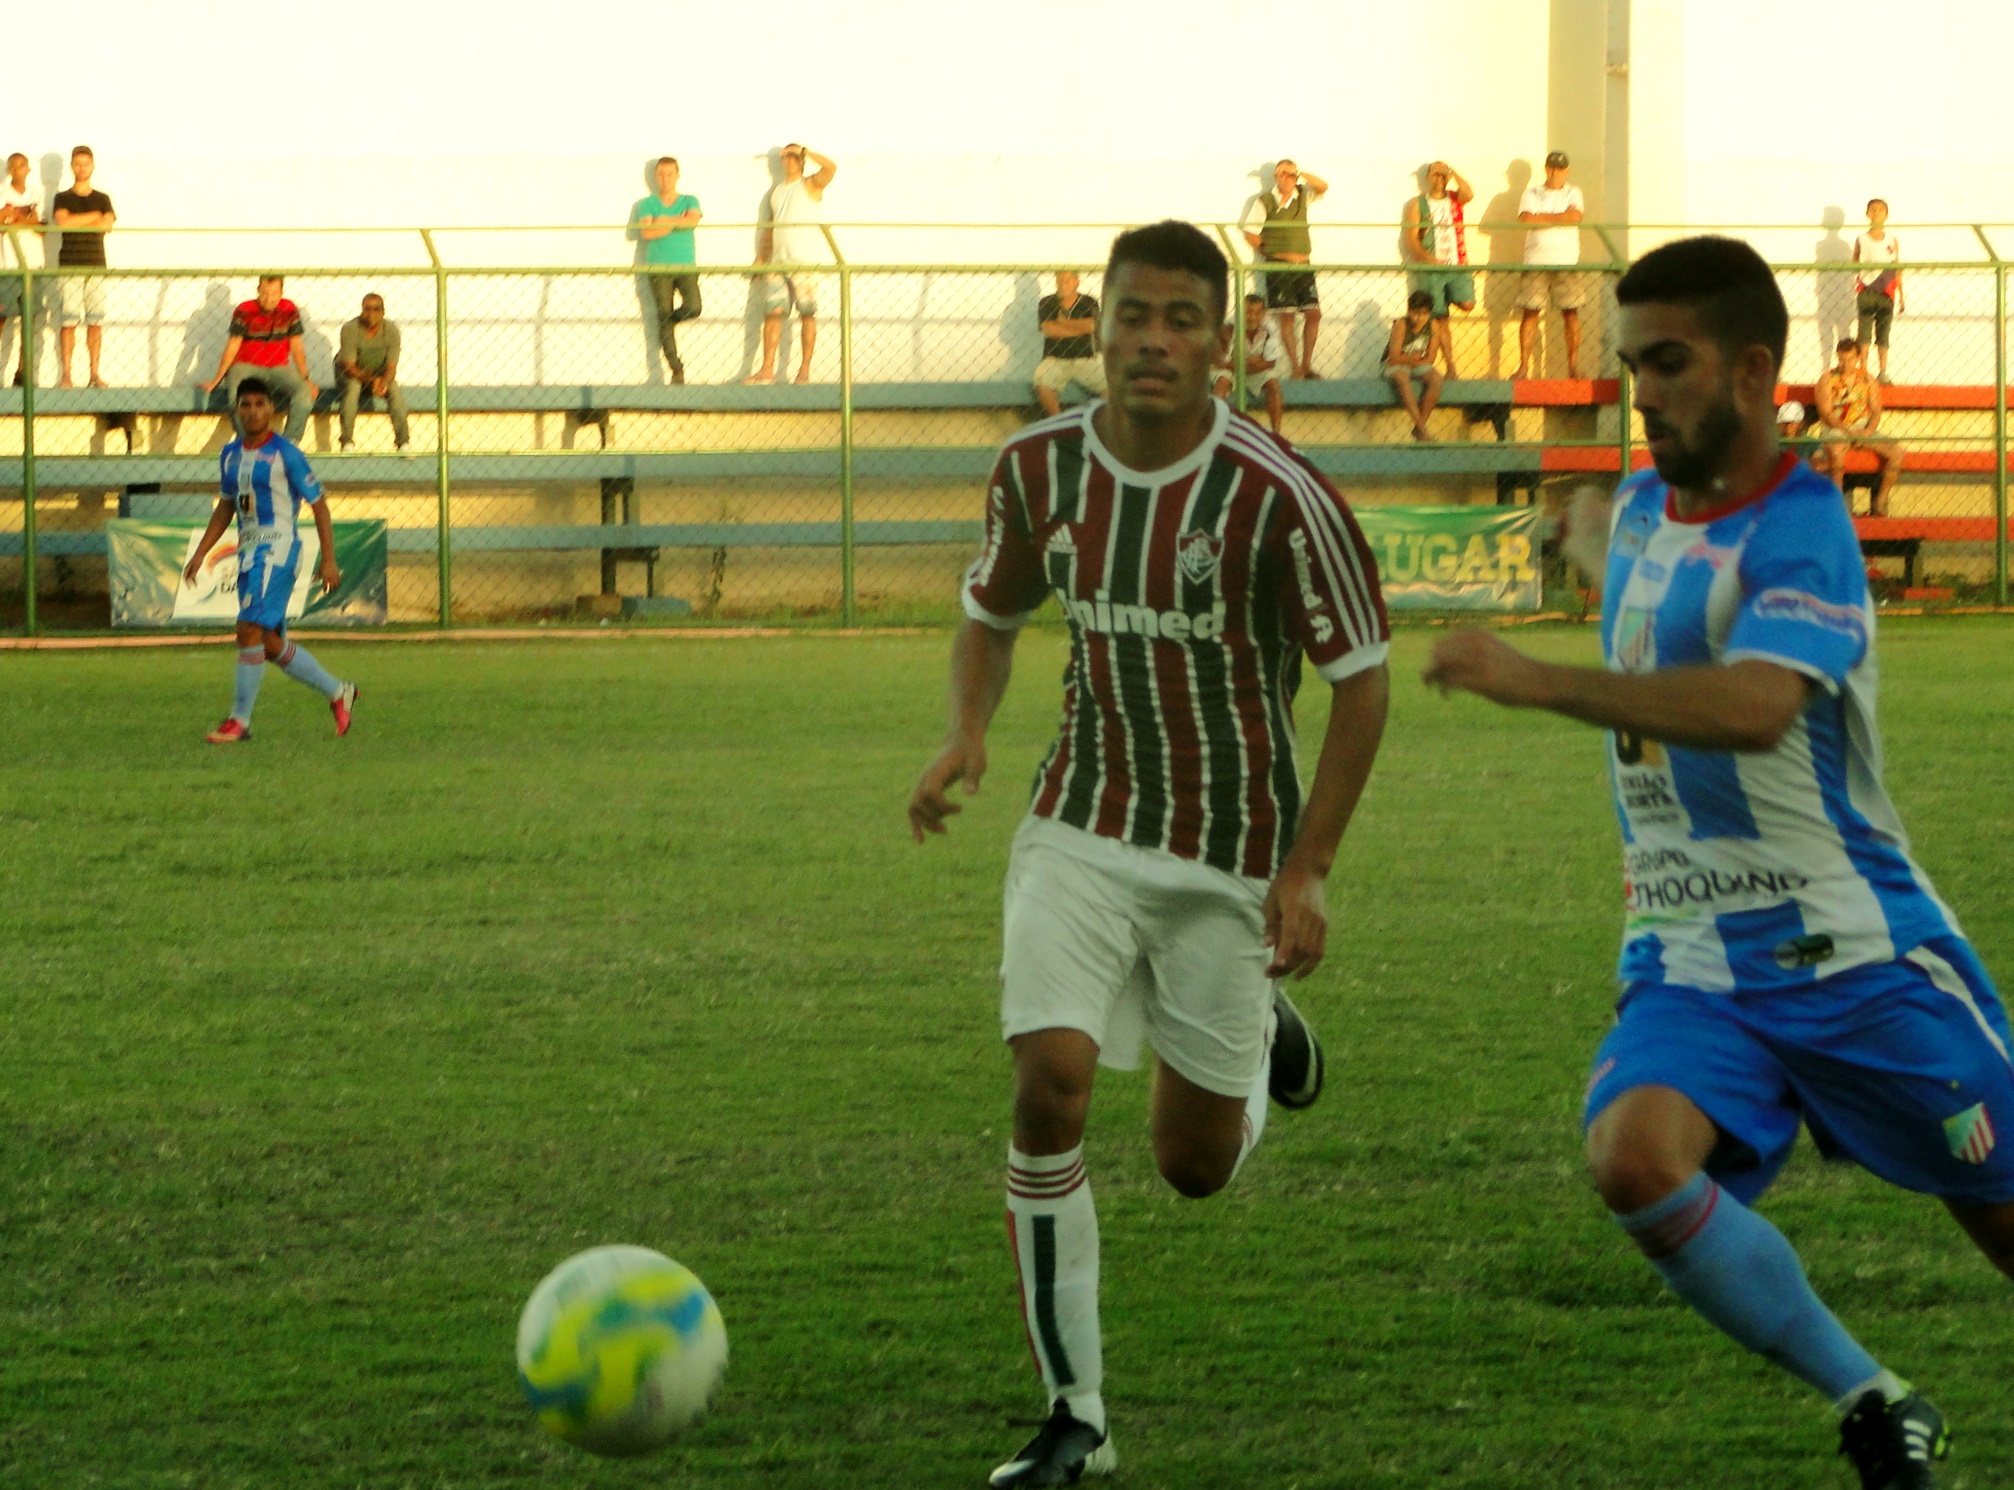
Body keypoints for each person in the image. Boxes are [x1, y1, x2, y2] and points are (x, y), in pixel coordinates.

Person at [1423, 235, 2014, 1490]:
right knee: (1631, 1156)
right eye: (1632, 365)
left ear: (1752, 371)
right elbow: (1629, 559)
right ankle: (1874, 1396)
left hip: (1856, 950)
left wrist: (1535, 680)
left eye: (1669, 363)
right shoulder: (1641, 504)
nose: (1644, 392)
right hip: (1688, 952)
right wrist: (1576, 527)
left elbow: (1754, 705)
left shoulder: (1802, 530)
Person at [907, 220, 1390, 1488]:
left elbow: (1361, 684)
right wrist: (964, 734)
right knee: (1047, 1085)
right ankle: (1076, 1412)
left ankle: (1263, 1028)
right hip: (1078, 821)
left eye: (1182, 319)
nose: (1153, 341)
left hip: (1230, 855)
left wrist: (1307, 868)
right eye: (1132, 316)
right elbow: (989, 613)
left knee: (1194, 1166)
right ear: (1100, 328)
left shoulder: (1281, 495)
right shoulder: (1034, 470)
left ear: (1221, 344)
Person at [183, 377, 359, 745]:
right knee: (267, 643)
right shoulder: (230, 455)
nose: (252, 411)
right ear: (237, 410)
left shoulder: (286, 454)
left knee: (247, 630)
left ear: (272, 411)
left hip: (276, 550)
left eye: (259, 404)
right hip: (248, 551)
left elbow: (320, 505)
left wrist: (329, 559)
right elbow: (227, 506)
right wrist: (201, 553)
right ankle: (337, 691)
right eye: (245, 404)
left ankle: (239, 721)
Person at [746, 143, 835, 385]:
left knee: (807, 313)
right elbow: (770, 228)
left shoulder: (809, 184)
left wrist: (805, 151)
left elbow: (831, 168)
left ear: (802, 159)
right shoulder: (776, 191)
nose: (790, 160)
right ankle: (766, 369)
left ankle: (804, 371)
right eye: (786, 156)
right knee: (772, 314)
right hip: (778, 262)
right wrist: (761, 259)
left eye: (794, 156)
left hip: (803, 262)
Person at [201, 276, 320, 443]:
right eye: (265, 293)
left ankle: (290, 442)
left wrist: (306, 378)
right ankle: (246, 440)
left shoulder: (289, 309)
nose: (269, 298)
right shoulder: (244, 309)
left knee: (303, 392)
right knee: (236, 392)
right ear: (258, 290)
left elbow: (296, 346)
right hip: (246, 366)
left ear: (281, 293)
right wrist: (217, 379)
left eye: (274, 293)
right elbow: (233, 344)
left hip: (278, 368)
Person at [1239, 158, 1328, 378]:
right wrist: (1273, 254)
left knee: (1314, 314)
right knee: (1286, 316)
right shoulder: (1265, 200)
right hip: (1278, 267)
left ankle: (1307, 365)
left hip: (1303, 266)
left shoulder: (1302, 195)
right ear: (1275, 176)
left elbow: (1323, 186)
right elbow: (1251, 234)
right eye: (1281, 174)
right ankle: (1296, 367)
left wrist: (1300, 173)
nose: (1286, 178)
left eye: (1289, 174)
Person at [1515, 150, 1587, 379]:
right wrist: (1559, 217)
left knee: (1571, 314)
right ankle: (1524, 367)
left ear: (1566, 170)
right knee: (1530, 313)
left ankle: (1573, 367)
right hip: (1535, 261)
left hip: (1566, 261)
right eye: (1551, 167)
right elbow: (1526, 219)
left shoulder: (1573, 192)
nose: (1555, 171)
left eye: (1560, 167)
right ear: (1546, 168)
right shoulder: (1532, 192)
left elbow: (1575, 217)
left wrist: (1543, 218)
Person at [631, 156, 703, 384]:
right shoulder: (646, 204)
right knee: (662, 314)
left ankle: (670, 321)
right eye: (661, 174)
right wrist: (676, 221)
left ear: (677, 175)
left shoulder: (690, 199)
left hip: (685, 266)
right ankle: (676, 369)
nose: (665, 178)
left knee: (693, 307)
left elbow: (692, 222)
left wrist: (662, 221)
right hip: (658, 269)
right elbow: (647, 233)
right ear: (655, 176)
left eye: (669, 174)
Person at [1815, 337, 1903, 515]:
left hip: (1862, 427)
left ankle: (1880, 501)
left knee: (1897, 453)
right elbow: (1826, 413)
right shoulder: (1826, 379)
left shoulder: (1868, 379)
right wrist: (1847, 431)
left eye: (1849, 359)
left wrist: (1868, 430)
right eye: (1841, 359)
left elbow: (1876, 410)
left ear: (1857, 358)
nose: (1845, 364)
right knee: (1837, 450)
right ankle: (1838, 503)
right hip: (1836, 428)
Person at [51, 145, 114, 389]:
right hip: (70, 264)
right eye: (77, 163)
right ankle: (66, 376)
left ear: (93, 165)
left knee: (95, 321)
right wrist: (94, 216)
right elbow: (64, 222)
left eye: (85, 163)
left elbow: (106, 226)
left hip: (96, 264)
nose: (81, 168)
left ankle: (94, 374)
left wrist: (88, 219)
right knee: (68, 321)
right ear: (71, 166)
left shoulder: (102, 198)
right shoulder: (62, 197)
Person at [1401, 160, 1476, 320]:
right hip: (1431, 268)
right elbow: (1411, 239)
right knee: (1438, 317)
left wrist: (1452, 172)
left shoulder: (1455, 198)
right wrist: (1428, 259)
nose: (1439, 178)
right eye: (1435, 174)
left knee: (1467, 303)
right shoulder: (1418, 203)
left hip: (1457, 265)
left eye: (1443, 175)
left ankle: (1447, 295)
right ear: (1427, 177)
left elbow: (1468, 194)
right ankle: (1442, 344)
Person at [335, 293, 408, 450]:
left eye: (376, 309)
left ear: (383, 311)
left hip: (378, 376)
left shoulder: (391, 331)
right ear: (361, 311)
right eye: (367, 309)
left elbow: (391, 367)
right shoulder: (350, 329)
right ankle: (347, 441)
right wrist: (372, 380)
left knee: (394, 390)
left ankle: (403, 442)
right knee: (353, 388)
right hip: (349, 375)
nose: (371, 313)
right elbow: (349, 366)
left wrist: (384, 382)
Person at [1382, 289, 1455, 440]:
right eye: (1415, 313)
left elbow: (1431, 357)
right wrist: (1411, 359)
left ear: (1429, 313)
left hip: (1418, 364)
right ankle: (1422, 429)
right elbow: (1394, 357)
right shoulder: (1401, 324)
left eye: (1424, 314)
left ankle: (1419, 426)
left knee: (1436, 379)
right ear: (1409, 311)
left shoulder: (1433, 326)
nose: (1418, 318)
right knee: (1402, 377)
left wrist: (1411, 359)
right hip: (1394, 365)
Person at [1032, 270, 1105, 416]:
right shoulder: (1047, 302)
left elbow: (1093, 326)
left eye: (1067, 281)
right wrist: (1081, 328)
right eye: (1059, 282)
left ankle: (1096, 420)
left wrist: (1064, 322)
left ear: (1076, 282)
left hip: (1084, 358)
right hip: (1055, 359)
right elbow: (1050, 330)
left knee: (1112, 385)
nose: (1062, 285)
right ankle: (1058, 423)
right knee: (1041, 382)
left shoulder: (1088, 302)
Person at [1212, 292, 1286, 433]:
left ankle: (1276, 435)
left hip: (1249, 370)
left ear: (1263, 314)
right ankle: (1216, 431)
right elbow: (1219, 362)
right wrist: (1252, 362)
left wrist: (1240, 363)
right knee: (1222, 381)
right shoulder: (1228, 329)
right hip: (1231, 370)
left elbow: (1270, 363)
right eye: (1248, 312)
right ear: (1239, 312)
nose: (1252, 317)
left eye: (1258, 313)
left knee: (1273, 385)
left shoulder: (1270, 330)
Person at [1, 151, 40, 385]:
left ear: (28, 169)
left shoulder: (37, 194)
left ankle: (22, 372)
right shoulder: (1, 193)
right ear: (9, 170)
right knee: (1, 318)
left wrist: (13, 217)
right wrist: (25, 217)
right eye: (13, 166)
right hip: (7, 264)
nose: (18, 169)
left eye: (22, 165)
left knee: (29, 319)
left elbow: (41, 226)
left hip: (32, 265)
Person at [1854, 199, 1902, 385]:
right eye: (1872, 210)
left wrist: (1901, 293)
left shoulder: (1891, 240)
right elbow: (1855, 262)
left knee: (1883, 333)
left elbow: (1897, 266)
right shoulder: (1861, 239)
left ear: (1886, 215)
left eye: (1880, 210)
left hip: (1886, 290)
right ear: (1867, 214)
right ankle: (1863, 371)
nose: (1876, 213)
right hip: (1866, 288)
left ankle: (1882, 372)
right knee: (1864, 334)